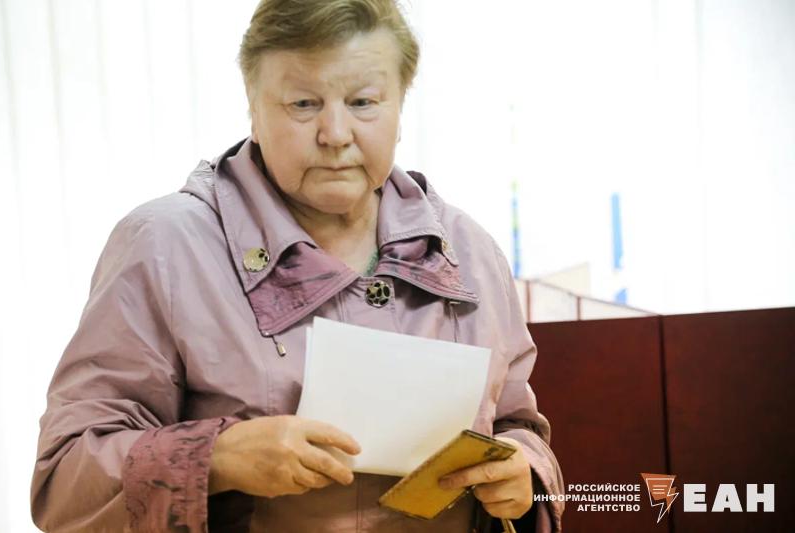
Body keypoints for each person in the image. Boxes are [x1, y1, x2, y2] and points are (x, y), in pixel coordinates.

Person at [30, 0, 564, 531]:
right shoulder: (166, 247)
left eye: (363, 102)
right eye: (304, 104)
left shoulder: (468, 250)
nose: (335, 134)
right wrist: (218, 457)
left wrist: (522, 472)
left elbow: (517, 427)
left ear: (400, 106)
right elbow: (66, 481)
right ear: (253, 106)